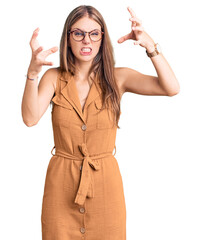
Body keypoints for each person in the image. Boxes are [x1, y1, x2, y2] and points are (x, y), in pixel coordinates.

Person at [21, 5, 180, 240]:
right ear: (68, 37)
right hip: (61, 186)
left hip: (105, 186)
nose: (87, 40)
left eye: (94, 33)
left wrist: (150, 46)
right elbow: (30, 118)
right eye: (78, 33)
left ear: (102, 38)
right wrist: (32, 73)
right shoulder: (53, 78)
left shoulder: (118, 77)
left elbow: (171, 88)